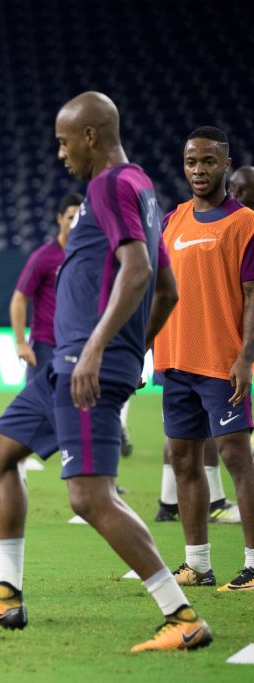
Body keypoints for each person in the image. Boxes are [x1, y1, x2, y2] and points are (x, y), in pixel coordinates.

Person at [0, 92, 212, 652]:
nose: (60, 152)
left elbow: (140, 270)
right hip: (65, 363)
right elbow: (168, 288)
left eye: (63, 140)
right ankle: (7, 598)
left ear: (90, 136)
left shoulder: (109, 184)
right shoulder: (141, 188)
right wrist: (133, 348)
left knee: (90, 497)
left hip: (83, 364)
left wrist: (100, 350)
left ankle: (182, 616)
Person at [153, 126, 254, 592]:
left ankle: (253, 564)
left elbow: (252, 298)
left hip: (221, 361)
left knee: (236, 458)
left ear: (225, 165)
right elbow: (157, 292)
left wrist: (245, 358)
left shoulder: (244, 222)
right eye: (192, 161)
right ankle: (198, 564)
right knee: (183, 460)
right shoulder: (173, 221)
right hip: (175, 359)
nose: (199, 170)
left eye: (208, 161)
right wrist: (143, 348)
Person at [10, 193, 82, 383]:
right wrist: (20, 343)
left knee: (71, 410)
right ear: (60, 219)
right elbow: (19, 298)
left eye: (79, 218)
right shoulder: (44, 257)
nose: (74, 223)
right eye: (70, 217)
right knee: (37, 409)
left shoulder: (86, 257)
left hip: (76, 347)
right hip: (45, 346)